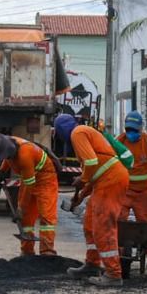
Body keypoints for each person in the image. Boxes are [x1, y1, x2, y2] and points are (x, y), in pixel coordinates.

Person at [56, 113, 130, 284]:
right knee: (90, 224)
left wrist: (81, 180)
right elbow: (96, 171)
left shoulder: (78, 133)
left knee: (103, 226)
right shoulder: (83, 133)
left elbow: (90, 163)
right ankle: (92, 263)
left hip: (111, 181)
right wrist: (81, 196)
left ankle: (113, 273)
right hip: (105, 180)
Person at [0, 131, 59, 257]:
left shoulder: (24, 155)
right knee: (26, 218)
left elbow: (28, 186)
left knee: (46, 216)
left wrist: (21, 208)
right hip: (30, 179)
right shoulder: (9, 145)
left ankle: (47, 251)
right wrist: (1, 171)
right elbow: (8, 159)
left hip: (45, 179)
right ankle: (27, 252)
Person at [118, 111, 147, 270]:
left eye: (135, 130)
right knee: (118, 222)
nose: (131, 134)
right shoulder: (120, 141)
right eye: (128, 130)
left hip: (144, 192)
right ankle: (116, 254)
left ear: (141, 129)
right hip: (124, 191)